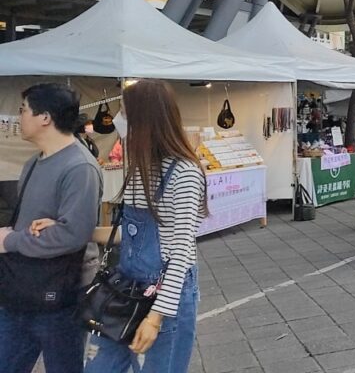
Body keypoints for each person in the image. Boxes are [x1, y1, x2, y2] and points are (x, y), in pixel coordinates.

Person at [45, 80, 204, 373]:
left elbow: (181, 253)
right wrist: (68, 230)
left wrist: (155, 318)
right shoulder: (141, 167)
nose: (118, 120)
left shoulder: (184, 173)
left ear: (145, 119)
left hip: (164, 297)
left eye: (124, 112)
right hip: (125, 288)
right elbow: (131, 235)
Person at [0, 84, 101, 373]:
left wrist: (10, 241)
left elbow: (72, 235)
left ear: (45, 117)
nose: (19, 117)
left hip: (60, 295)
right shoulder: (34, 162)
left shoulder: (80, 167)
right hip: (20, 289)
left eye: (23, 110)